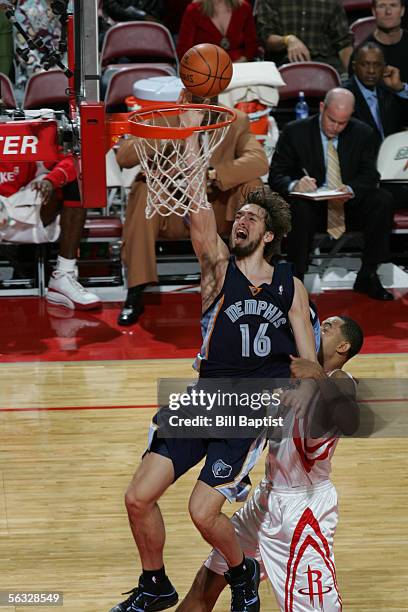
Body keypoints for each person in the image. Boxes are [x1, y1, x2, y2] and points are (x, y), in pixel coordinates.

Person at [108, 186, 318, 612]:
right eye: (237, 216)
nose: (240, 222)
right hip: (203, 402)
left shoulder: (289, 286)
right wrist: (190, 142)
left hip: (245, 415)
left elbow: (309, 365)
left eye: (251, 218)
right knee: (137, 497)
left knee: (202, 513)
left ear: (270, 234)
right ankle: (154, 584)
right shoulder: (219, 272)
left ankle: (242, 576)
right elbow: (201, 219)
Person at [176, 314, 364, 612]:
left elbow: (350, 421)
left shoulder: (339, 381)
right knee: (206, 582)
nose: (319, 329)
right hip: (265, 499)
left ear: (343, 346)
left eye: (328, 328)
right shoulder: (292, 374)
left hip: (304, 508)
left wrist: (314, 375)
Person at [116, 107, 269, 326]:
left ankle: (256, 279)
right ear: (182, 97)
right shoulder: (160, 119)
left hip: (215, 208)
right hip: (172, 209)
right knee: (142, 188)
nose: (202, 102)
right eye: (195, 96)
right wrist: (173, 135)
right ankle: (135, 290)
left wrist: (213, 174)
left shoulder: (234, 121)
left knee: (253, 186)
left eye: (208, 96)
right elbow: (124, 156)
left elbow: (259, 161)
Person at [268, 87, 395, 301]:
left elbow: (370, 174)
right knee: (300, 207)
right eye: (331, 119)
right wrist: (295, 184)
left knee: (383, 200)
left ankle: (368, 274)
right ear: (321, 108)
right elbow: (277, 175)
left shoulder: (363, 133)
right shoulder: (294, 131)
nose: (335, 127)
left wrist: (351, 188)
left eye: (342, 123)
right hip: (312, 208)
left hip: (347, 206)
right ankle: (296, 278)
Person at [0, 155, 101, 310]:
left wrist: (51, 180)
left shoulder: (41, 132)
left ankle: (64, 275)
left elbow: (73, 160)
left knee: (78, 173)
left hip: (27, 206)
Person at [256, 0, 353, 75]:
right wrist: (288, 40)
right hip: (283, 62)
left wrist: (349, 77)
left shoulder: (331, 2)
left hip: (326, 63)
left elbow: (344, 42)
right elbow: (266, 38)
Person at [344, 42, 408, 148]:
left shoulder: (389, 90)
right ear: (354, 66)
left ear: (384, 67)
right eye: (365, 64)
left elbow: (404, 120)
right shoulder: (344, 96)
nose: (371, 71)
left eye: (377, 65)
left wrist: (400, 89)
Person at [176, 0, 258, 63]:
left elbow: (251, 45)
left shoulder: (244, 8)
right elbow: (184, 51)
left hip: (241, 67)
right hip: (205, 72)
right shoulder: (193, 11)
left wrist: (240, 63)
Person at [349, 0, 408, 84]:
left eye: (393, 5)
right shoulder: (360, 54)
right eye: (382, 6)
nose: (388, 11)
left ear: (402, 11)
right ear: (374, 11)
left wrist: (401, 89)